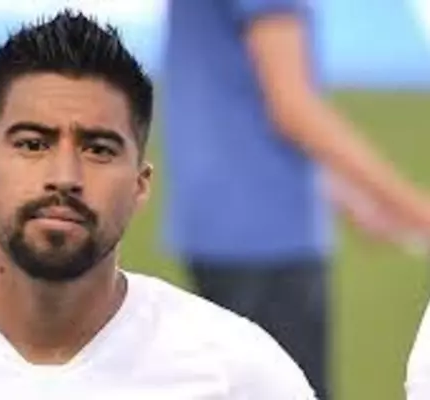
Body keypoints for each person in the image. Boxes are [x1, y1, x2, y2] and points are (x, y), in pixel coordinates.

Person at [0, 10, 318, 400]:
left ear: (140, 185)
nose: (64, 177)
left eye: (98, 149)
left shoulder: (242, 376)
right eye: (32, 144)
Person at [162, 1, 430, 399]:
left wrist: (346, 193)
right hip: (268, 232)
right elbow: (291, 105)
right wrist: (417, 211)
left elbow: (235, 86)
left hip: (219, 219)